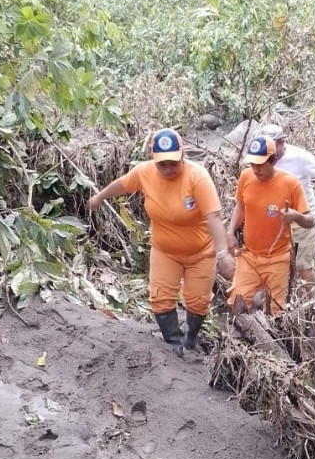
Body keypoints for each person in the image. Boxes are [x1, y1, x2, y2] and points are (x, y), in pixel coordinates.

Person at [88, 128, 235, 351]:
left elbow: (213, 216)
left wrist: (223, 254)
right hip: (165, 251)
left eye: (173, 163)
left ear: (182, 155)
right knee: (160, 298)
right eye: (162, 164)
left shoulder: (197, 177)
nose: (167, 169)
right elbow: (123, 184)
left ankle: (190, 339)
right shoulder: (145, 173)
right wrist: (99, 196)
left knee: (198, 301)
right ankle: (173, 344)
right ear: (152, 158)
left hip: (200, 253)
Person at [226, 135, 314, 313]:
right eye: (252, 164)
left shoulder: (290, 184)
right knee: (237, 303)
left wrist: (295, 216)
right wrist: (230, 232)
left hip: (278, 258)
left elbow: (310, 221)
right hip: (249, 256)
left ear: (273, 160)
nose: (256, 170)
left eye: (260, 165)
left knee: (277, 310)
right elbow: (241, 206)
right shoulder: (246, 177)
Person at [258, 124, 315, 288]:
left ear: (281, 142)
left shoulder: (300, 157)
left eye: (272, 146)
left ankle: (313, 304)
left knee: (303, 266)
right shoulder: (263, 157)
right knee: (280, 263)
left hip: (303, 218)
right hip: (277, 218)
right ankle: (288, 301)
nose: (269, 151)